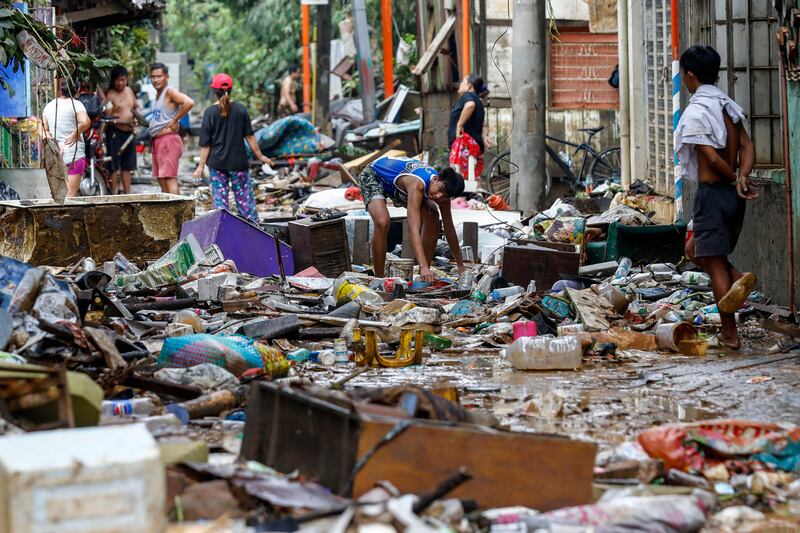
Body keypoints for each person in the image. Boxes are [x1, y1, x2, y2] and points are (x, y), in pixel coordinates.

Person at [675, 45, 757, 350]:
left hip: (714, 193)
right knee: (694, 248)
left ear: (690, 74)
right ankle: (738, 279)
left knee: (715, 263)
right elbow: (747, 147)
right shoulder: (728, 106)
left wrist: (736, 178)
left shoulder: (698, 111)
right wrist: (743, 175)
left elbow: (709, 157)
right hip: (731, 195)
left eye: (684, 73)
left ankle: (729, 334)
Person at [358, 156, 466, 281]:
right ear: (435, 179)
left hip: (398, 186)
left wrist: (460, 265)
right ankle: (380, 277)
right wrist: (423, 265)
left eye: (445, 196)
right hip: (374, 175)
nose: (438, 196)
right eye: (440, 190)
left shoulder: (444, 193)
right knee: (382, 221)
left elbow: (449, 228)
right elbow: (413, 229)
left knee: (432, 215)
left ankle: (424, 274)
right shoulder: (417, 185)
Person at [193, 73, 272, 223]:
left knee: (220, 204)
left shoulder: (209, 113)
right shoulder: (241, 110)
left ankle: (222, 233)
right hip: (239, 164)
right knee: (245, 202)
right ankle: (253, 233)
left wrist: (201, 166)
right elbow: (250, 137)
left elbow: (206, 144)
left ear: (214, 92)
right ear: (232, 89)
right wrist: (260, 156)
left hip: (217, 165)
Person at [146, 63, 194, 195]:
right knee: (161, 178)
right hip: (158, 140)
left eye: (159, 76)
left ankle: (176, 213)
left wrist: (175, 119)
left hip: (168, 140)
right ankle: (167, 212)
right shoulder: (158, 95)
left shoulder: (170, 92)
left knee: (169, 178)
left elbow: (189, 102)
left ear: (166, 77)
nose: (155, 80)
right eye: (153, 77)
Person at [42, 79, 91, 197]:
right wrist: (75, 133)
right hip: (73, 155)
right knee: (70, 195)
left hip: (55, 156)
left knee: (57, 195)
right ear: (77, 90)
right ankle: (66, 216)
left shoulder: (49, 106)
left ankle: (55, 215)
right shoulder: (76, 104)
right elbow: (85, 122)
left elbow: (43, 130)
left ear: (60, 89)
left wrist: (53, 142)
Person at [104, 66, 140, 194]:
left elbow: (136, 107)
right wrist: (125, 122)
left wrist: (137, 118)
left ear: (127, 80)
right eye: (118, 80)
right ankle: (114, 193)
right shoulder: (109, 95)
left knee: (128, 166)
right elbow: (107, 118)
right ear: (113, 80)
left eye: (123, 80)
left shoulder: (129, 91)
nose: (121, 83)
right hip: (115, 134)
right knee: (114, 166)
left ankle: (127, 194)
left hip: (129, 134)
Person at [448, 74, 489, 179]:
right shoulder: (479, 101)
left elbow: (470, 105)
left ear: (469, 86)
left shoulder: (468, 95)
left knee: (458, 179)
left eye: (463, 82)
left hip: (465, 143)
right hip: (475, 145)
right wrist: (484, 136)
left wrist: (459, 125)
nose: (460, 84)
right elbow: (483, 123)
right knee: (471, 179)